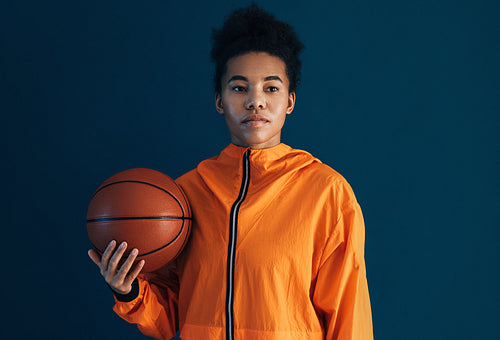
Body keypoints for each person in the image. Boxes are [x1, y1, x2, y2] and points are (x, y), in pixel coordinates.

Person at [88, 3, 373, 340]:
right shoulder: (182, 197)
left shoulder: (327, 192)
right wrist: (128, 291)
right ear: (220, 100)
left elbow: (349, 316)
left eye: (271, 88)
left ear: (290, 101)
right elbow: (166, 318)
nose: (256, 101)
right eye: (239, 88)